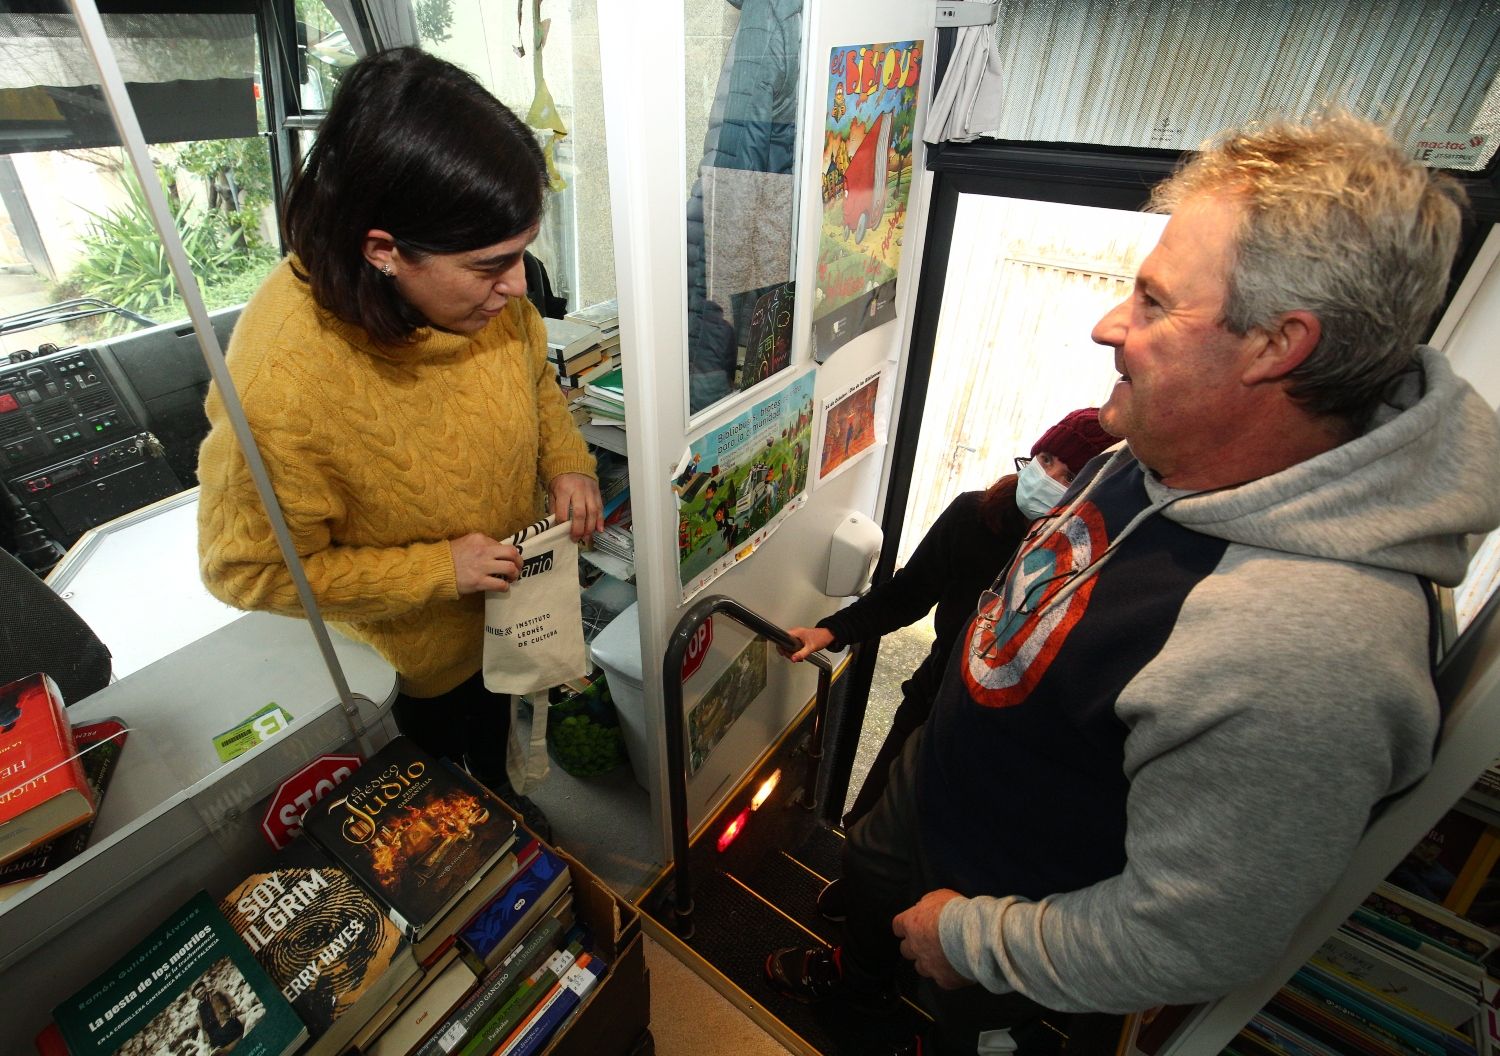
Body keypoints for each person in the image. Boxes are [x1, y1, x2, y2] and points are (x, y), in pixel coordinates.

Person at [766, 111, 1500, 1055]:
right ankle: (854, 983)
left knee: (956, 1026)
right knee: (868, 884)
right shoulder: (1165, 439)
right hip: (940, 789)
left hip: (1012, 909)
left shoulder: (1310, 650)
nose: (1109, 323)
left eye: (1155, 303)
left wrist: (974, 941)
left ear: (1278, 345)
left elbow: (1189, 935)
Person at [197, 49, 602, 840]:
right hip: (415, 657)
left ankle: (505, 797)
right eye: (491, 266)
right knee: (445, 804)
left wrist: (566, 460)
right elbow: (244, 570)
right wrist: (435, 571)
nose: (519, 286)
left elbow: (533, 375)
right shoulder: (283, 385)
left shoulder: (482, 291)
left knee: (498, 741)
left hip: (511, 604)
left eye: (521, 254)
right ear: (384, 249)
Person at [783, 408, 1115, 840]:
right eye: (1047, 458)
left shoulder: (1090, 566)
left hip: (1007, 731)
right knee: (870, 819)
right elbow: (909, 594)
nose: (1048, 477)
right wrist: (827, 631)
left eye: (1069, 476)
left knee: (940, 835)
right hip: (933, 696)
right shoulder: (975, 516)